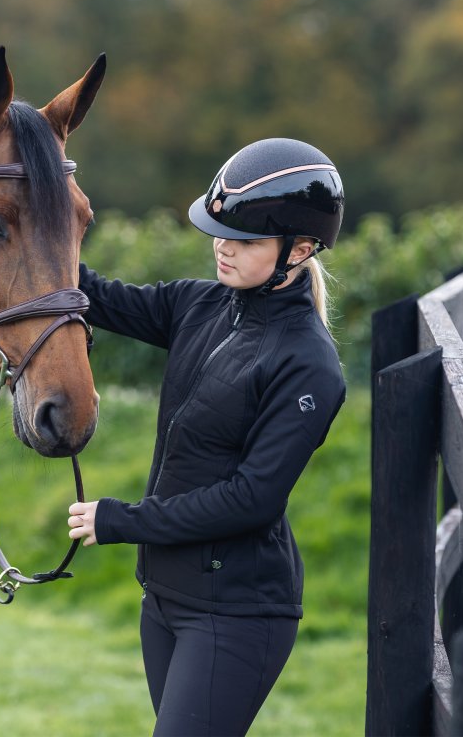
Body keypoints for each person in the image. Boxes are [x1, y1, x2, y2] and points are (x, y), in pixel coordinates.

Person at [68, 138, 346, 736]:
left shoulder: (309, 365)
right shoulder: (199, 304)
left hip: (235, 613)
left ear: (299, 249)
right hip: (163, 598)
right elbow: (96, 296)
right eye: (220, 233)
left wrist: (123, 520)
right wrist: (28, 221)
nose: (222, 247)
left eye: (244, 240)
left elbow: (253, 498)